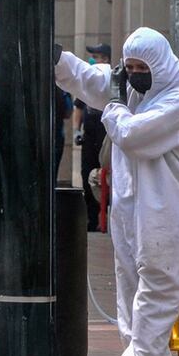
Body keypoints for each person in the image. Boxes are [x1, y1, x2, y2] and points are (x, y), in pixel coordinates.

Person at [54, 27, 179, 356]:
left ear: (160, 66)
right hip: (132, 221)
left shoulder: (178, 98)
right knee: (134, 314)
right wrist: (58, 57)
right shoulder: (132, 93)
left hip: (165, 219)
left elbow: (132, 135)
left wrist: (114, 102)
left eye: (141, 70)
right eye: (129, 69)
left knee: (152, 312)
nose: (134, 76)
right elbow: (90, 80)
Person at [73, 43, 111, 231]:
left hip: (106, 139)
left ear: (105, 59)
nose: (92, 60)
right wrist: (76, 131)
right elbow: (78, 108)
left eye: (96, 57)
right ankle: (92, 219)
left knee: (106, 176)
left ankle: (106, 216)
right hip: (89, 138)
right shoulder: (87, 84)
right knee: (86, 175)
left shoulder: (111, 82)